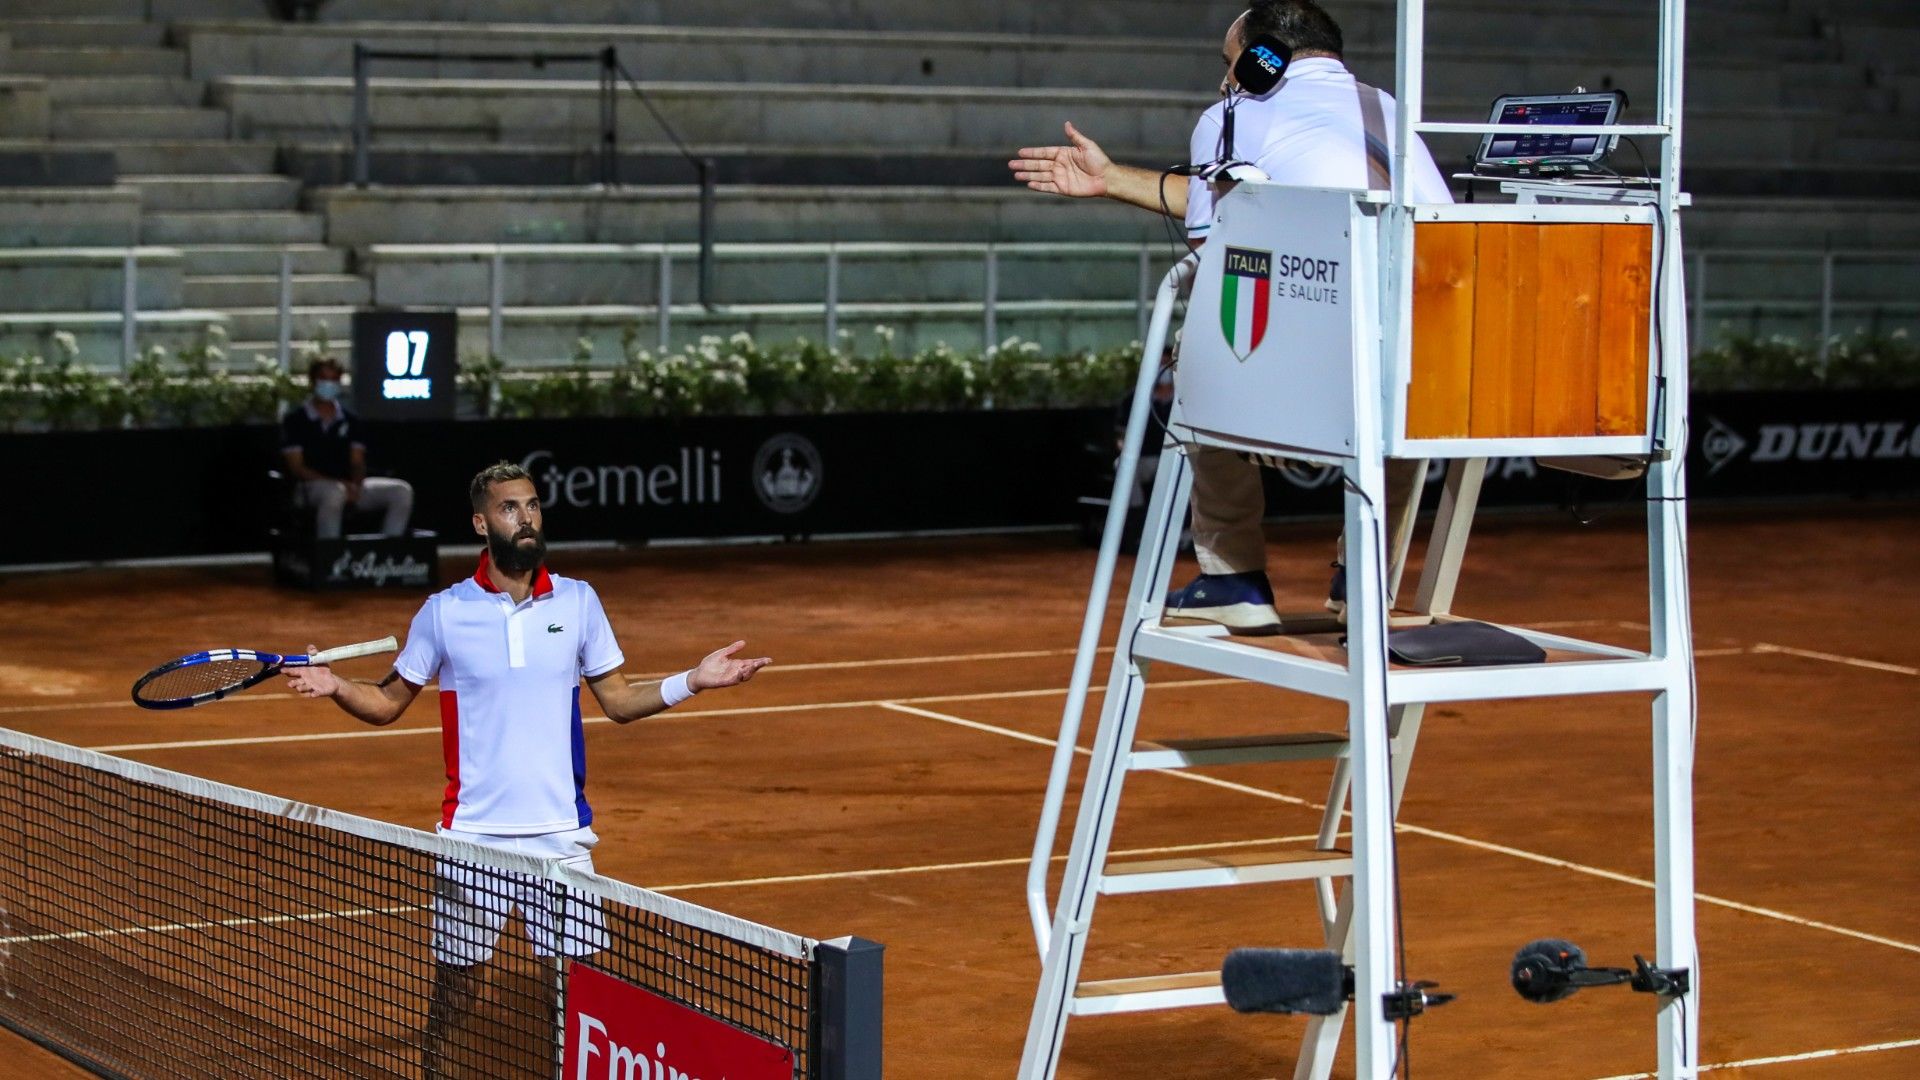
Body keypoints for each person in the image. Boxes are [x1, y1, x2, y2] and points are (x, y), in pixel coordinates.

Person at [281, 460, 772, 1075]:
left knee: (574, 997)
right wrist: (332, 685)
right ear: (482, 523)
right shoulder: (444, 611)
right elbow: (385, 702)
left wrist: (692, 681)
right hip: (474, 840)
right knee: (455, 994)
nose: (527, 517)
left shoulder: (579, 601)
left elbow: (617, 700)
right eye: (511, 508)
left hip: (560, 840)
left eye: (533, 505)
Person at [1009, 0, 1451, 633]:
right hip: (1420, 385)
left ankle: (1233, 575)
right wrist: (1110, 179)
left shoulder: (1236, 111)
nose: (1225, 77)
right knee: (1408, 365)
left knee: (1198, 354)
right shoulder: (1389, 111)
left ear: (1261, 56)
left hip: (1305, 388)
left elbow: (1216, 243)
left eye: (1230, 61)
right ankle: (1364, 579)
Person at [279, 357, 415, 540]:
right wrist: (339, 485)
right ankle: (329, 557)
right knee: (334, 493)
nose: (328, 384)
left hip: (349, 486)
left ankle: (387, 554)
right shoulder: (295, 420)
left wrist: (356, 485)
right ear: (312, 381)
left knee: (401, 491)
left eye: (334, 379)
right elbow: (297, 468)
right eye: (323, 378)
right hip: (310, 488)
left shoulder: (351, 421)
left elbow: (357, 462)